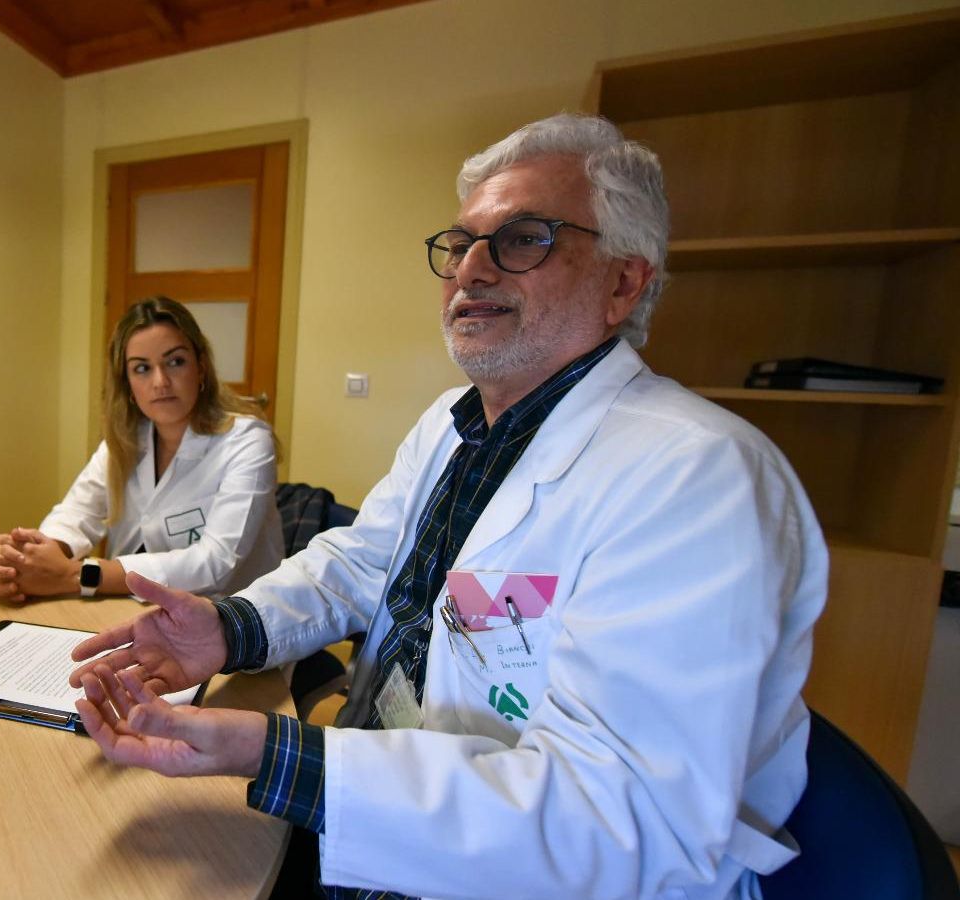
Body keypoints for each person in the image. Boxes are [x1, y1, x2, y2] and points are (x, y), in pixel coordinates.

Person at [68, 115, 828, 900]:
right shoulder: (452, 421)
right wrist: (231, 626)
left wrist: (276, 753)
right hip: (385, 805)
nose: (470, 270)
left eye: (523, 238)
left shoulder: (698, 480)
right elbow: (360, 560)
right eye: (461, 244)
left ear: (623, 282)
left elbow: (618, 820)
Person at [0, 296, 283, 602]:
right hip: (141, 614)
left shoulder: (246, 441)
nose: (160, 382)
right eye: (142, 368)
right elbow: (76, 512)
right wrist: (32, 560)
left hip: (233, 625)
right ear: (126, 383)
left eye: (175, 362)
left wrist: (75, 575)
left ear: (201, 367)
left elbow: (214, 564)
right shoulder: (126, 440)